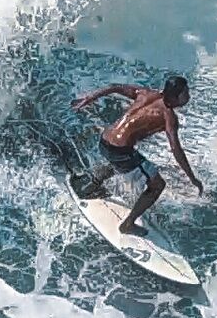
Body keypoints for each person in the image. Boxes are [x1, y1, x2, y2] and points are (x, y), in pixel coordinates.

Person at [72, 74, 199, 227]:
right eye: (186, 93)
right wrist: (192, 178)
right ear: (174, 97)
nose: (189, 96)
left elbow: (115, 87)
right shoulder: (168, 117)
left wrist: (89, 98)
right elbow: (176, 150)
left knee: (122, 164)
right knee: (157, 185)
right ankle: (128, 224)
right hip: (119, 151)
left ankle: (91, 185)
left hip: (104, 140)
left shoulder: (145, 93)